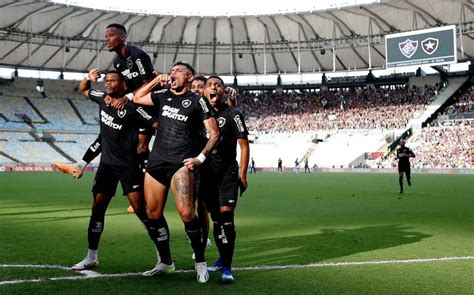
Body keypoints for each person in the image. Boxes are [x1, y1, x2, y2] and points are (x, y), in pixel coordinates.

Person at [131, 61, 220, 283]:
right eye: (171, 71)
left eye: (178, 71)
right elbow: (136, 98)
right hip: (156, 163)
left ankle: (200, 262)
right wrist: (155, 81)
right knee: (152, 214)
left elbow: (214, 133)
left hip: (180, 164)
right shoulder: (162, 96)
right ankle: (166, 262)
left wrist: (200, 158)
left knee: (187, 214)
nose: (172, 74)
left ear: (189, 78)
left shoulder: (198, 101)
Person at [55, 23, 156, 213]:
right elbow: (120, 84)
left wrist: (128, 98)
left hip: (146, 106)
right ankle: (79, 166)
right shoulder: (118, 62)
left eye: (110, 35)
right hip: (130, 104)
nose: (106, 39)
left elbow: (149, 83)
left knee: (141, 146)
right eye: (105, 36)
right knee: (109, 133)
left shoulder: (138, 55)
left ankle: (142, 193)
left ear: (122, 37)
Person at [71, 69, 159, 271]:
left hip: (129, 165)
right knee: (97, 210)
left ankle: (160, 252)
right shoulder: (102, 99)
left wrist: (145, 142)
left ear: (124, 85)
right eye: (106, 80)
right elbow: (83, 89)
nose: (107, 84)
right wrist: (88, 78)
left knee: (140, 210)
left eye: (112, 81)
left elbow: (155, 124)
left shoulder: (134, 107)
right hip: (107, 166)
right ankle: (91, 257)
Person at [201, 75, 250, 284]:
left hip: (227, 173)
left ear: (223, 91)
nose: (214, 87)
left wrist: (243, 174)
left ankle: (227, 267)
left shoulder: (233, 113)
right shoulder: (198, 113)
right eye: (210, 85)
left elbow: (244, 145)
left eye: (218, 85)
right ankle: (222, 258)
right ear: (203, 91)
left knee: (227, 217)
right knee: (216, 220)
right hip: (206, 174)